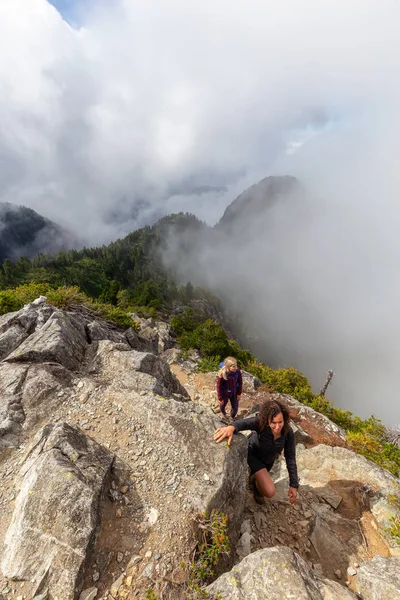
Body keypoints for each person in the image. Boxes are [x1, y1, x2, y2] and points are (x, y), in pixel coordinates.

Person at [214, 399, 299, 504]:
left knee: (265, 489)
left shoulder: (288, 432)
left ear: (284, 419)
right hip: (253, 456)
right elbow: (244, 423)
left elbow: (290, 458)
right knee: (270, 491)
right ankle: (255, 479)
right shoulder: (261, 423)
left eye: (280, 422)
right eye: (273, 423)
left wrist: (293, 485)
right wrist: (231, 427)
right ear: (267, 420)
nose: (277, 427)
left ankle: (255, 483)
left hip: (268, 462)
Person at [216, 356, 242, 422]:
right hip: (225, 393)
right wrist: (220, 398)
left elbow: (240, 382)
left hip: (234, 392)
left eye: (236, 366)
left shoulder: (237, 372)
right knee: (222, 405)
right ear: (228, 367)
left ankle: (231, 417)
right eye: (233, 366)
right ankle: (223, 413)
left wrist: (239, 393)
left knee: (235, 408)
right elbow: (219, 387)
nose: (235, 368)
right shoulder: (223, 374)